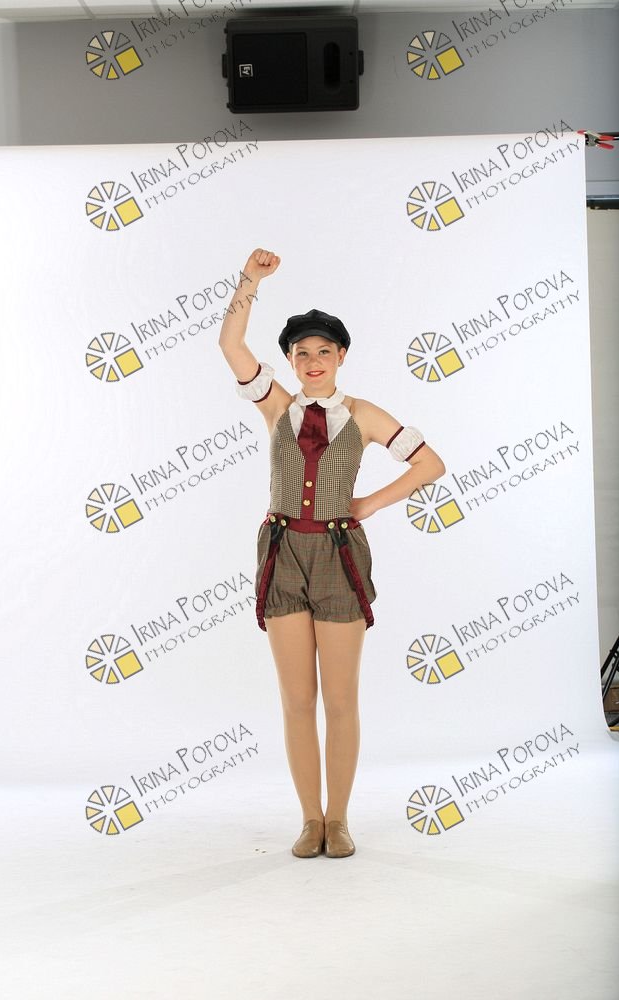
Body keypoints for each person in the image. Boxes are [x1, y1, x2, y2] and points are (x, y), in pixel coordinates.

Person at [218, 248, 446, 860]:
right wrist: (250, 280)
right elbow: (231, 344)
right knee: (297, 700)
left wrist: (368, 502)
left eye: (324, 351)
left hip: (339, 555)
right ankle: (310, 820)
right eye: (301, 353)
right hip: (282, 551)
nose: (312, 362)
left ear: (341, 356)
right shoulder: (277, 406)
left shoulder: (363, 414)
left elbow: (430, 464)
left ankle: (339, 819)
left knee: (340, 700)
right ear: (291, 361)